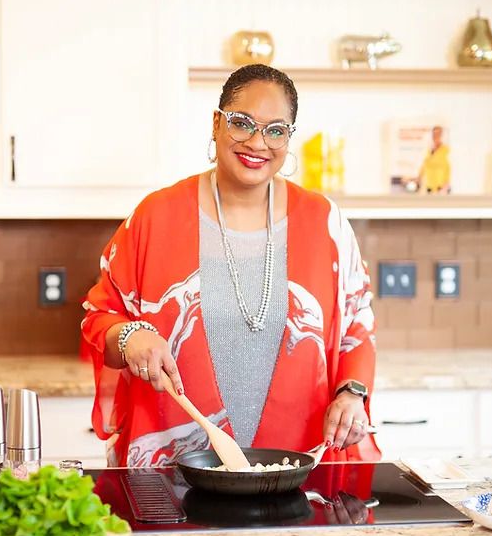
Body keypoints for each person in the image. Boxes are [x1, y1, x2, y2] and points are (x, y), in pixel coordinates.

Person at [81, 64, 380, 467]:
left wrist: (352, 393)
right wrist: (130, 336)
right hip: (175, 468)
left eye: (276, 130)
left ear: (289, 138)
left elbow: (357, 327)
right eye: (242, 123)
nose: (258, 142)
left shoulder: (325, 222)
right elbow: (100, 317)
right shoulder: (155, 217)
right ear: (217, 124)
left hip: (296, 468)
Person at [418, 125, 451, 194]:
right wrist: (419, 177)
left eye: (438, 134)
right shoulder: (428, 150)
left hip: (440, 187)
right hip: (428, 186)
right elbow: (424, 164)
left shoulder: (446, 150)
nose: (435, 136)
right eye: (434, 134)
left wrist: (446, 183)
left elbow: (448, 167)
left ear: (442, 135)